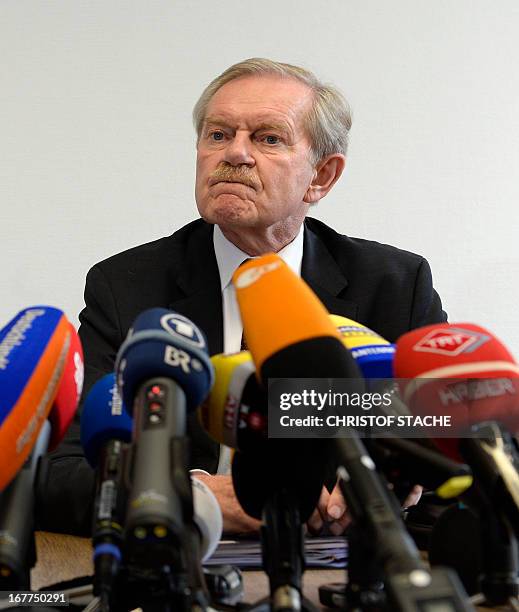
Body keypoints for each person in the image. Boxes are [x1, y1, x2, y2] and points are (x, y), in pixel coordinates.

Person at [39, 58, 445, 536]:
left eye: (268, 138)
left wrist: (384, 482)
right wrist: (191, 496)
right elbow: (58, 474)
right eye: (217, 134)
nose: (235, 153)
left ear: (322, 177)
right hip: (188, 567)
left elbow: (454, 454)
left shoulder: (394, 284)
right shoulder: (127, 285)